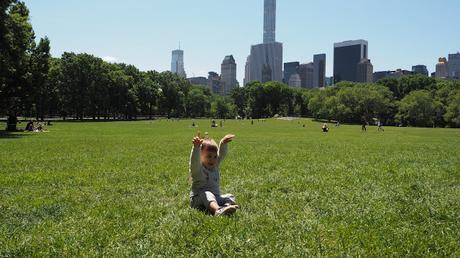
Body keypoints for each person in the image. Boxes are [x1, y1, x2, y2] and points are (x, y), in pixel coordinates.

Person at [189, 134, 239, 216]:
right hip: (198, 199)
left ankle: (227, 207)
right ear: (200, 156)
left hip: (215, 197)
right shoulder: (198, 170)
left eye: (215, 157)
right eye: (209, 156)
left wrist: (223, 143)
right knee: (208, 194)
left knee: (230, 196)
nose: (212, 159)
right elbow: (194, 161)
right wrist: (196, 148)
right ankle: (218, 210)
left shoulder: (214, 166)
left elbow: (221, 155)